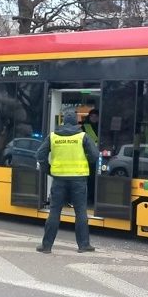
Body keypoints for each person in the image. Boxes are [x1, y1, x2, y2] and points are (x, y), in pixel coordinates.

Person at [35, 109, 100, 254]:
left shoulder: (53, 137)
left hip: (59, 180)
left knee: (54, 212)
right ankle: (83, 245)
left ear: (64, 121)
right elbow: (95, 155)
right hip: (78, 179)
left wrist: (49, 170)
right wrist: (85, 162)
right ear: (76, 122)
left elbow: (40, 155)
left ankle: (46, 246)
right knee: (80, 212)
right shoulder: (83, 136)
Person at [82, 109, 99, 205]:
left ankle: (92, 197)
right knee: (89, 179)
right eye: (92, 116)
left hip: (97, 156)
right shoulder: (85, 127)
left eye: (96, 116)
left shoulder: (101, 127)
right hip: (88, 157)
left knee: (94, 179)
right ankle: (89, 198)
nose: (94, 118)